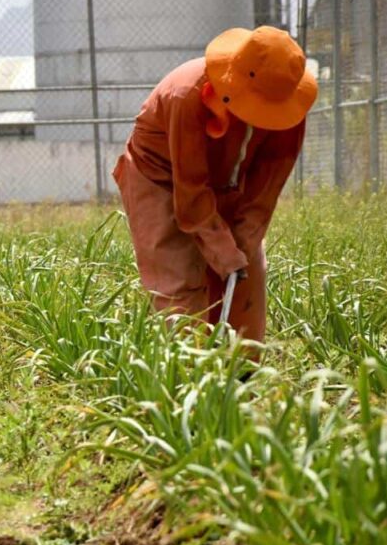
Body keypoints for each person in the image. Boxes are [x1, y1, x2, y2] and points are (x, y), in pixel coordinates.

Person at [113, 26, 317, 342]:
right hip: (160, 177)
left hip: (229, 181)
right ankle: (187, 365)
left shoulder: (288, 104)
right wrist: (222, 251)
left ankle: (241, 366)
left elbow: (266, 186)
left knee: (245, 273)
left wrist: (243, 243)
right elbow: (191, 189)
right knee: (179, 277)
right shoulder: (187, 95)